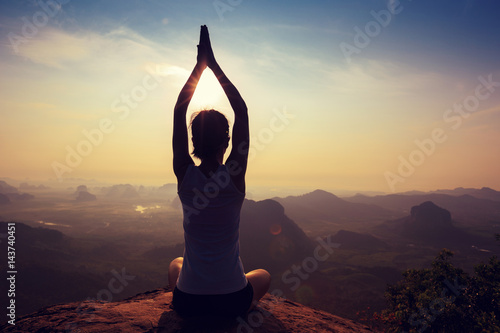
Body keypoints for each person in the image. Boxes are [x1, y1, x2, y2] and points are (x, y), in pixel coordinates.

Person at [168, 25, 271, 318]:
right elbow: (242, 111)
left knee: (176, 263)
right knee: (263, 274)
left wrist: (198, 69)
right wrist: (213, 65)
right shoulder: (234, 177)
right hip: (232, 301)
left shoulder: (184, 174)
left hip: (188, 302)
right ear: (227, 141)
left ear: (193, 143)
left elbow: (179, 110)